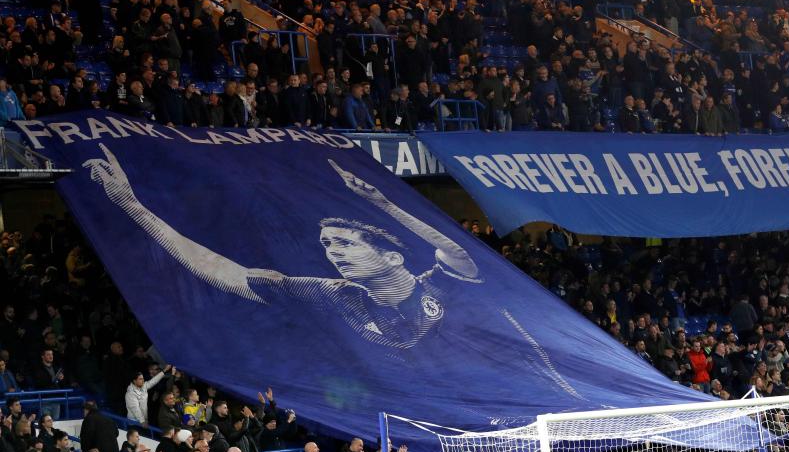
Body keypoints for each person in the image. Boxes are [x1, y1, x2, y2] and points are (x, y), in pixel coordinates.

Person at [84, 147, 582, 398]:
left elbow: (455, 250)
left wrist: (380, 200)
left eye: (343, 242)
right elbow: (220, 270)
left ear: (390, 255)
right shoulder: (332, 294)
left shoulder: (442, 277)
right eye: (326, 245)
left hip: (509, 385)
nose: (332, 253)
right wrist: (131, 205)